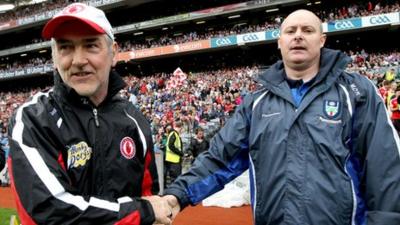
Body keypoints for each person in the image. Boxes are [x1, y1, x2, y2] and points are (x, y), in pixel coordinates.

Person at [164, 9, 400, 225]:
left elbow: (385, 168)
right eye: (290, 30)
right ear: (280, 42)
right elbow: (220, 160)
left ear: (322, 40)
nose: (298, 36)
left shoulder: (357, 92)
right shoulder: (256, 102)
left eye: (307, 30)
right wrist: (177, 195)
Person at [8, 3, 173, 225]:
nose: (78, 61)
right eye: (65, 47)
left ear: (113, 52)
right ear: (55, 56)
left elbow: (149, 196)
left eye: (91, 45)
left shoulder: (135, 121)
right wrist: (143, 212)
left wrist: (148, 210)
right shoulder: (32, 120)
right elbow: (50, 211)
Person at [164, 121, 183, 186]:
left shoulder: (173, 133)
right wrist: (180, 153)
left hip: (173, 159)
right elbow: (170, 146)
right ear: (180, 128)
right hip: (174, 160)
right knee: (175, 179)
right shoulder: (174, 134)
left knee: (174, 179)